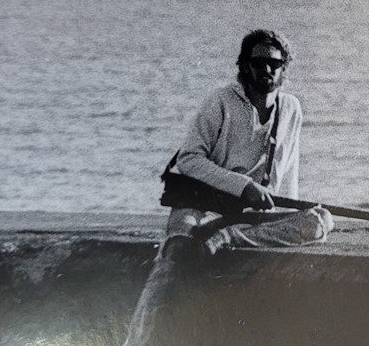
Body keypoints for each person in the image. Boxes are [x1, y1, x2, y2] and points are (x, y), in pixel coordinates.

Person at [123, 29, 333, 346]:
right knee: (175, 254)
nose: (267, 69)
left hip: (251, 216)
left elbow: (289, 170)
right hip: (203, 204)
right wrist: (242, 186)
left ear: (284, 69)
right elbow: (189, 159)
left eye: (274, 64)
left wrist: (284, 211)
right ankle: (139, 341)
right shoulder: (220, 102)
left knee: (320, 220)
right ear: (245, 66)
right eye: (259, 62)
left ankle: (228, 237)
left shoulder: (291, 109)